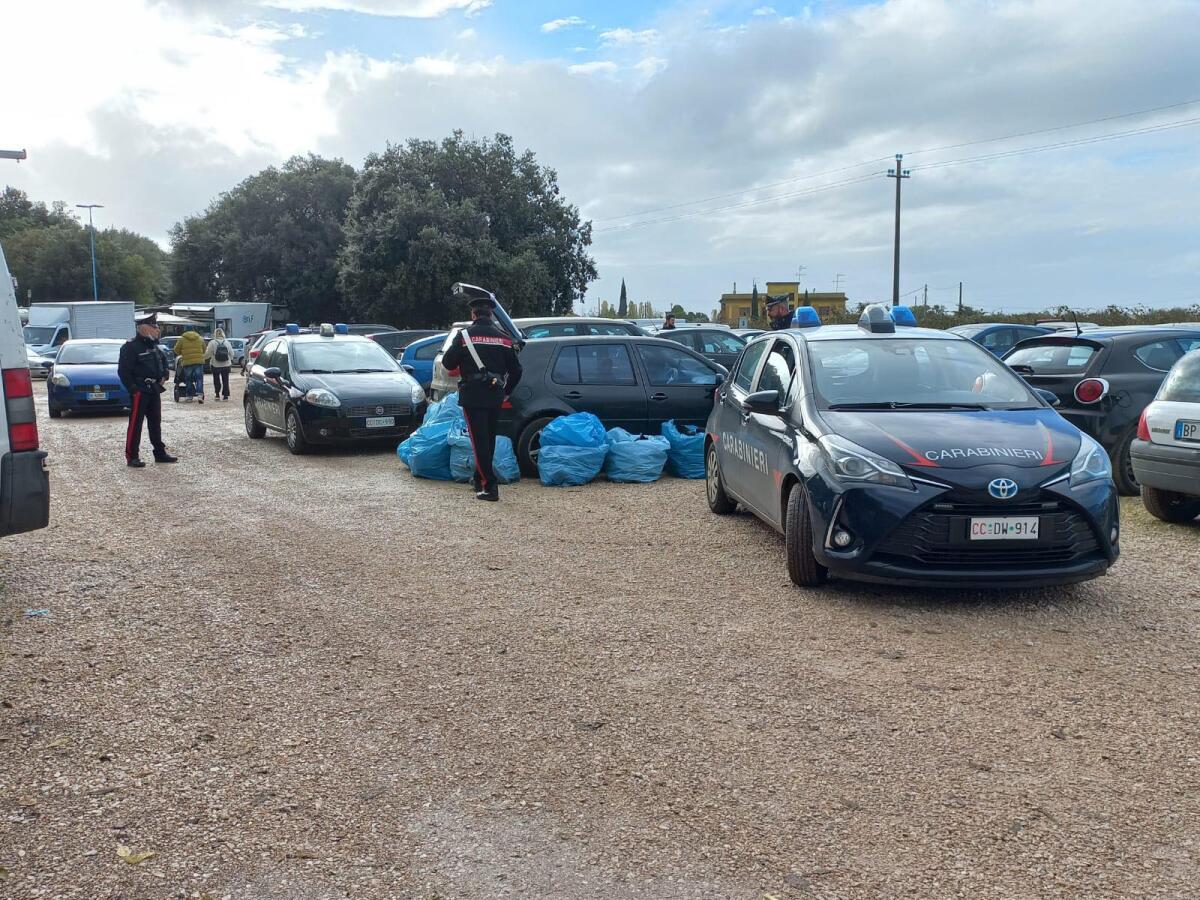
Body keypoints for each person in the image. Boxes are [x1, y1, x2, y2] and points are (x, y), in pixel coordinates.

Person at [441, 295, 522, 502]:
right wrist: (506, 391)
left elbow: (448, 363)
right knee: (489, 439)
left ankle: (490, 487)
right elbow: (517, 370)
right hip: (495, 395)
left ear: (473, 314)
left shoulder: (464, 336)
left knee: (479, 442)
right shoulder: (504, 338)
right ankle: (479, 479)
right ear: (491, 314)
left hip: (473, 394)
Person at [117, 313, 178, 468]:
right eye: (154, 327)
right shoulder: (130, 347)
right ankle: (132, 456)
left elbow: (163, 362)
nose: (157, 330)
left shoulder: (154, 346)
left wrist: (164, 375)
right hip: (140, 390)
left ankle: (159, 453)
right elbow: (123, 371)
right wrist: (133, 389)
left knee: (155, 423)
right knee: (136, 424)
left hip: (154, 389)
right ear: (143, 328)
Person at [173, 327, 207, 402]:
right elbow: (204, 349)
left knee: (188, 379)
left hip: (187, 362)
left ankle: (189, 396)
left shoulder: (182, 339)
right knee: (199, 379)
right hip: (198, 361)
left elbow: (176, 350)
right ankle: (200, 395)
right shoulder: (200, 338)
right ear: (194, 330)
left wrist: (182, 353)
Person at [205, 328, 234, 401]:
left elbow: (208, 354)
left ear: (214, 334)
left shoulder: (212, 342)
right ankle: (225, 396)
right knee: (225, 380)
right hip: (226, 365)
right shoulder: (227, 342)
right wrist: (229, 360)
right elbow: (232, 354)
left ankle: (217, 395)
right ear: (223, 334)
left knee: (216, 380)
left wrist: (204, 357)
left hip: (215, 365)